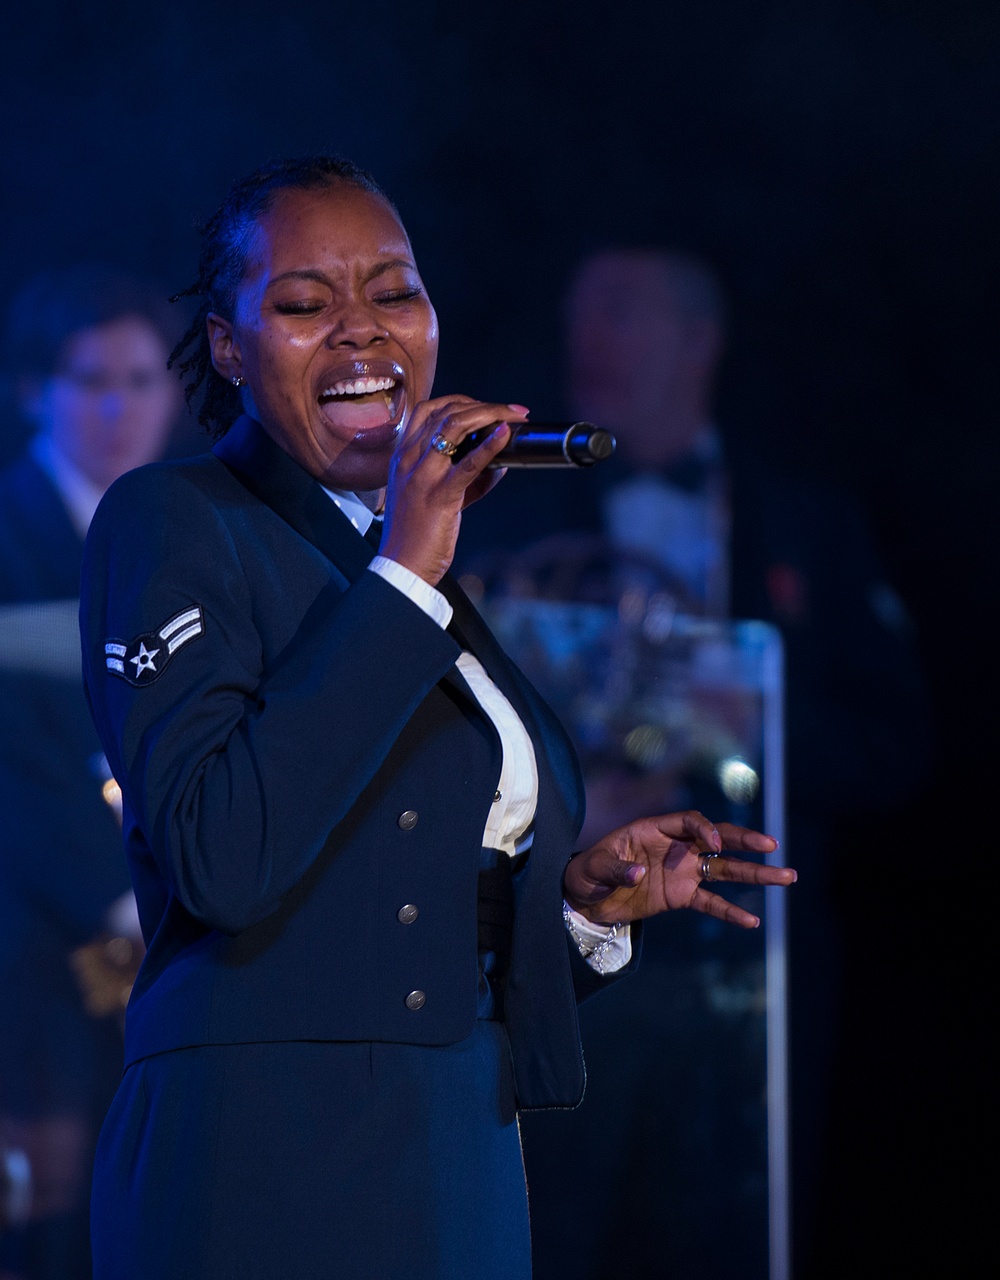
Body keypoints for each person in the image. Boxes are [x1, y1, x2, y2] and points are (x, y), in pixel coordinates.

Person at [78, 157, 796, 1280]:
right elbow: (222, 853)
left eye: (393, 291)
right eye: (306, 304)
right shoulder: (178, 523)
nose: (361, 332)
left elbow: (403, 891)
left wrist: (575, 905)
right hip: (262, 1146)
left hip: (455, 1129)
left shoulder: (401, 565)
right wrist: (406, 572)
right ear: (227, 346)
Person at [459, 247, 929, 1275]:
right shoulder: (514, 515)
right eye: (579, 314)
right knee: (553, 1231)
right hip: (569, 948)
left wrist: (754, 716)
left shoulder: (809, 520)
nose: (590, 340)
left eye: (621, 314)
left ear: (697, 339)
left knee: (733, 1234)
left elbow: (897, 750)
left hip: (751, 965)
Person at [0, 265, 180, 1280]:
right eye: (92, 379)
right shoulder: (8, 530)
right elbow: (14, 765)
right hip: (30, 944)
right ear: (35, 389)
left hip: (149, 933)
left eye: (144, 379)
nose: (120, 407)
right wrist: (128, 902)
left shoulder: (175, 527)